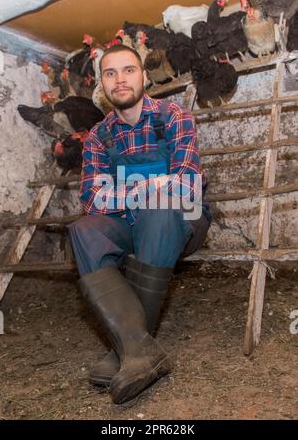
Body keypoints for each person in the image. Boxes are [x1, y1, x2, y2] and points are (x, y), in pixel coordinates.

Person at [68, 44, 211, 404]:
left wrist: (131, 191)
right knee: (83, 229)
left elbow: (187, 186)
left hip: (182, 220)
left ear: (144, 76)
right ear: (101, 84)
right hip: (130, 223)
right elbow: (91, 199)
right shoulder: (99, 136)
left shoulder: (172, 116)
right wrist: (154, 185)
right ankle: (138, 351)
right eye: (110, 73)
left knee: (161, 207)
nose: (120, 80)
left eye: (129, 70)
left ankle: (124, 354)